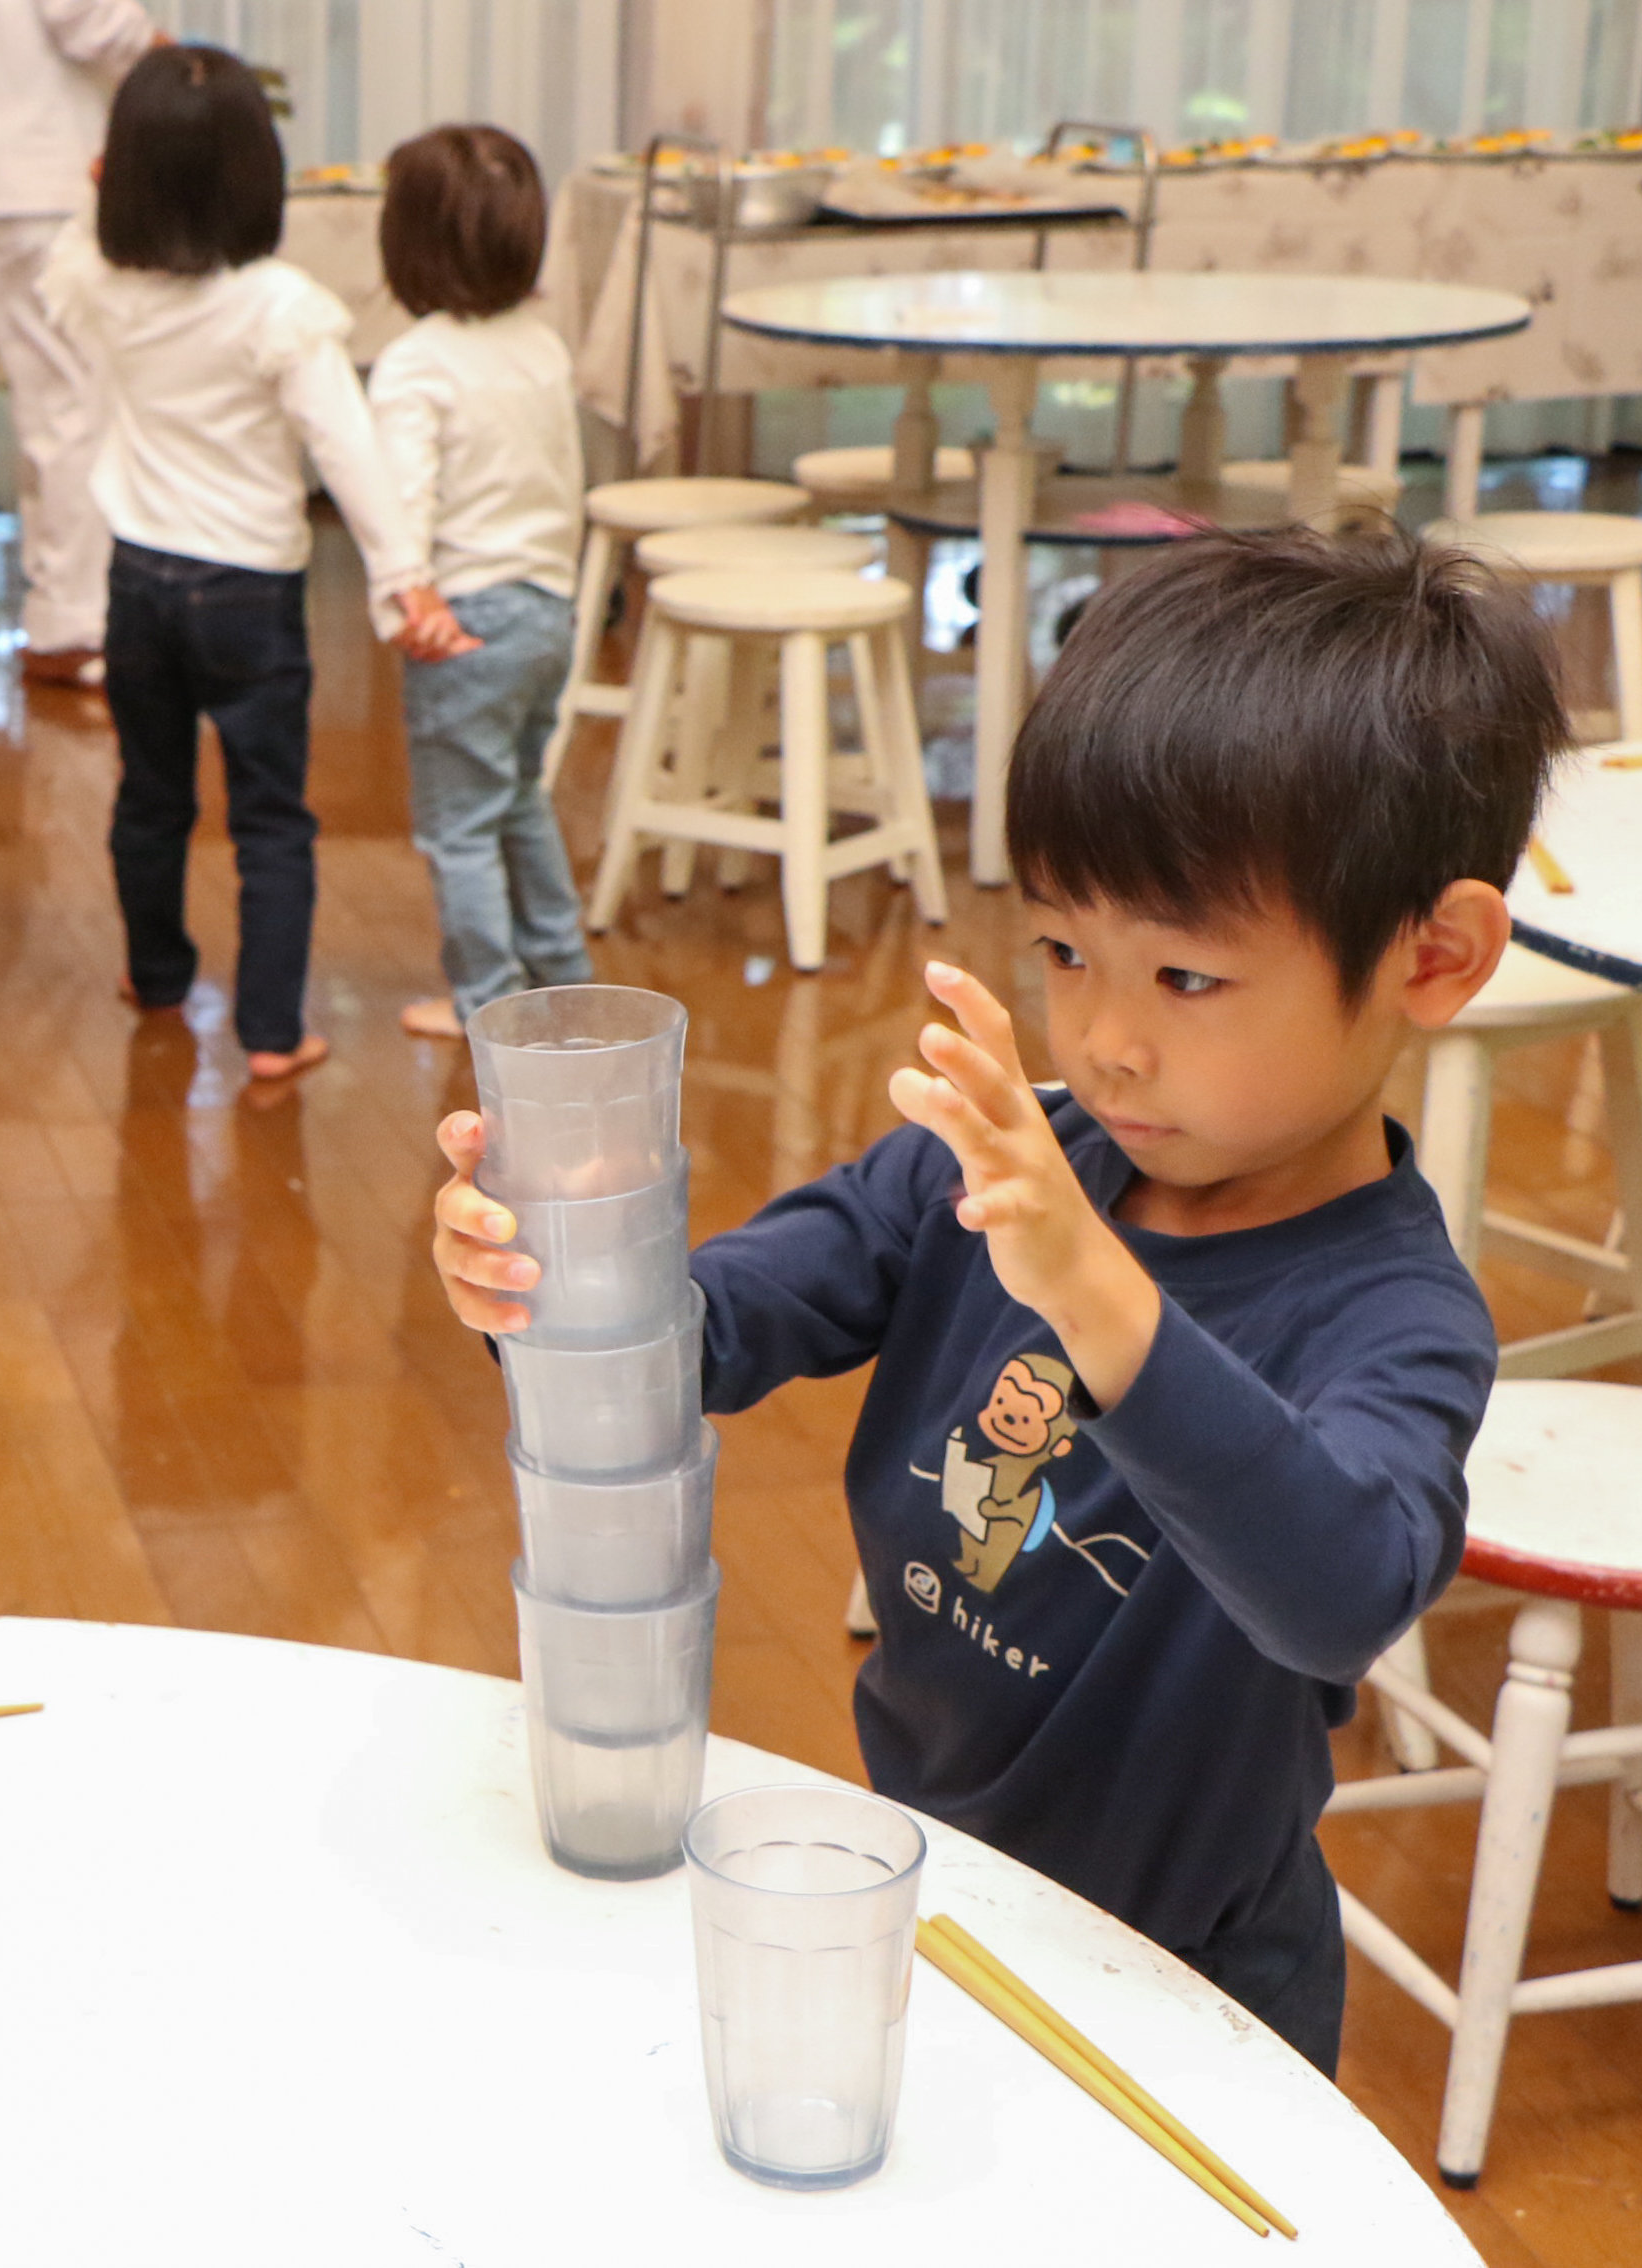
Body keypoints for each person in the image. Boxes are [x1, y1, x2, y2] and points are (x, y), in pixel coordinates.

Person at [429, 524, 1570, 2074]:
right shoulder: (981, 1166)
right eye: (1060, 948)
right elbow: (711, 1337)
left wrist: (1096, 1293)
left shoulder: (1391, 1316)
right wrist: (551, 1273)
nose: (1102, 1040)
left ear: (1430, 957)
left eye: (1184, 978)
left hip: (1185, 1984)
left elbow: (1338, 1593)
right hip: (930, 1892)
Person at [46, 44, 469, 1083]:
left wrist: (97, 193)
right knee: (270, 817)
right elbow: (348, 452)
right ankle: (273, 1033)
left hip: (139, 584)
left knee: (150, 798)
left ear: (124, 174)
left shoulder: (100, 280)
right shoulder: (281, 307)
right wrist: (402, 576)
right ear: (257, 176)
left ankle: (156, 973)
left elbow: (73, 243)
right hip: (247, 595)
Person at [364, 124, 592, 1042]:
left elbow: (399, 504)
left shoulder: (417, 362)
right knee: (520, 798)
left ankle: (487, 1007)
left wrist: (405, 599)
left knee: (459, 828)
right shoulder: (543, 345)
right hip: (547, 612)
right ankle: (564, 976)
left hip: (465, 620)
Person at [0, 0, 163, 692]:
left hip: (15, 186)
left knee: (50, 416)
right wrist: (181, 66)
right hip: (51, 188)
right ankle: (77, 624)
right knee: (77, 413)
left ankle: (57, 612)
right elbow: (94, 20)